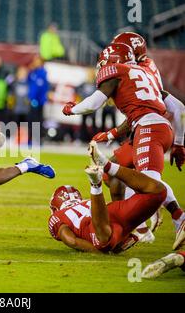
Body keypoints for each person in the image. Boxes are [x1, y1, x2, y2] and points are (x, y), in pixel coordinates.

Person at [62, 43, 185, 250]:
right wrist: (179, 143)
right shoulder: (145, 73)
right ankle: (138, 229)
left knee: (150, 185)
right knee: (114, 175)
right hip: (153, 127)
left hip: (148, 128)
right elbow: (179, 108)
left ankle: (179, 217)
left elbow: (94, 103)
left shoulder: (116, 71)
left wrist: (72, 109)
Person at [49, 141, 168, 253]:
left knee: (104, 241)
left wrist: (102, 252)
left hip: (99, 228)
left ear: (55, 206)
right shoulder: (85, 202)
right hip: (112, 212)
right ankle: (108, 166)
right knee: (158, 191)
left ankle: (95, 184)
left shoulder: (58, 216)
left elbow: (72, 241)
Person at [28, 55, 49, 144]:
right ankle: (31, 138)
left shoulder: (42, 73)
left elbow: (40, 88)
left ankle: (37, 139)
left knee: (37, 120)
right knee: (31, 120)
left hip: (38, 101)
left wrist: (35, 99)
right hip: (32, 100)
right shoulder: (33, 72)